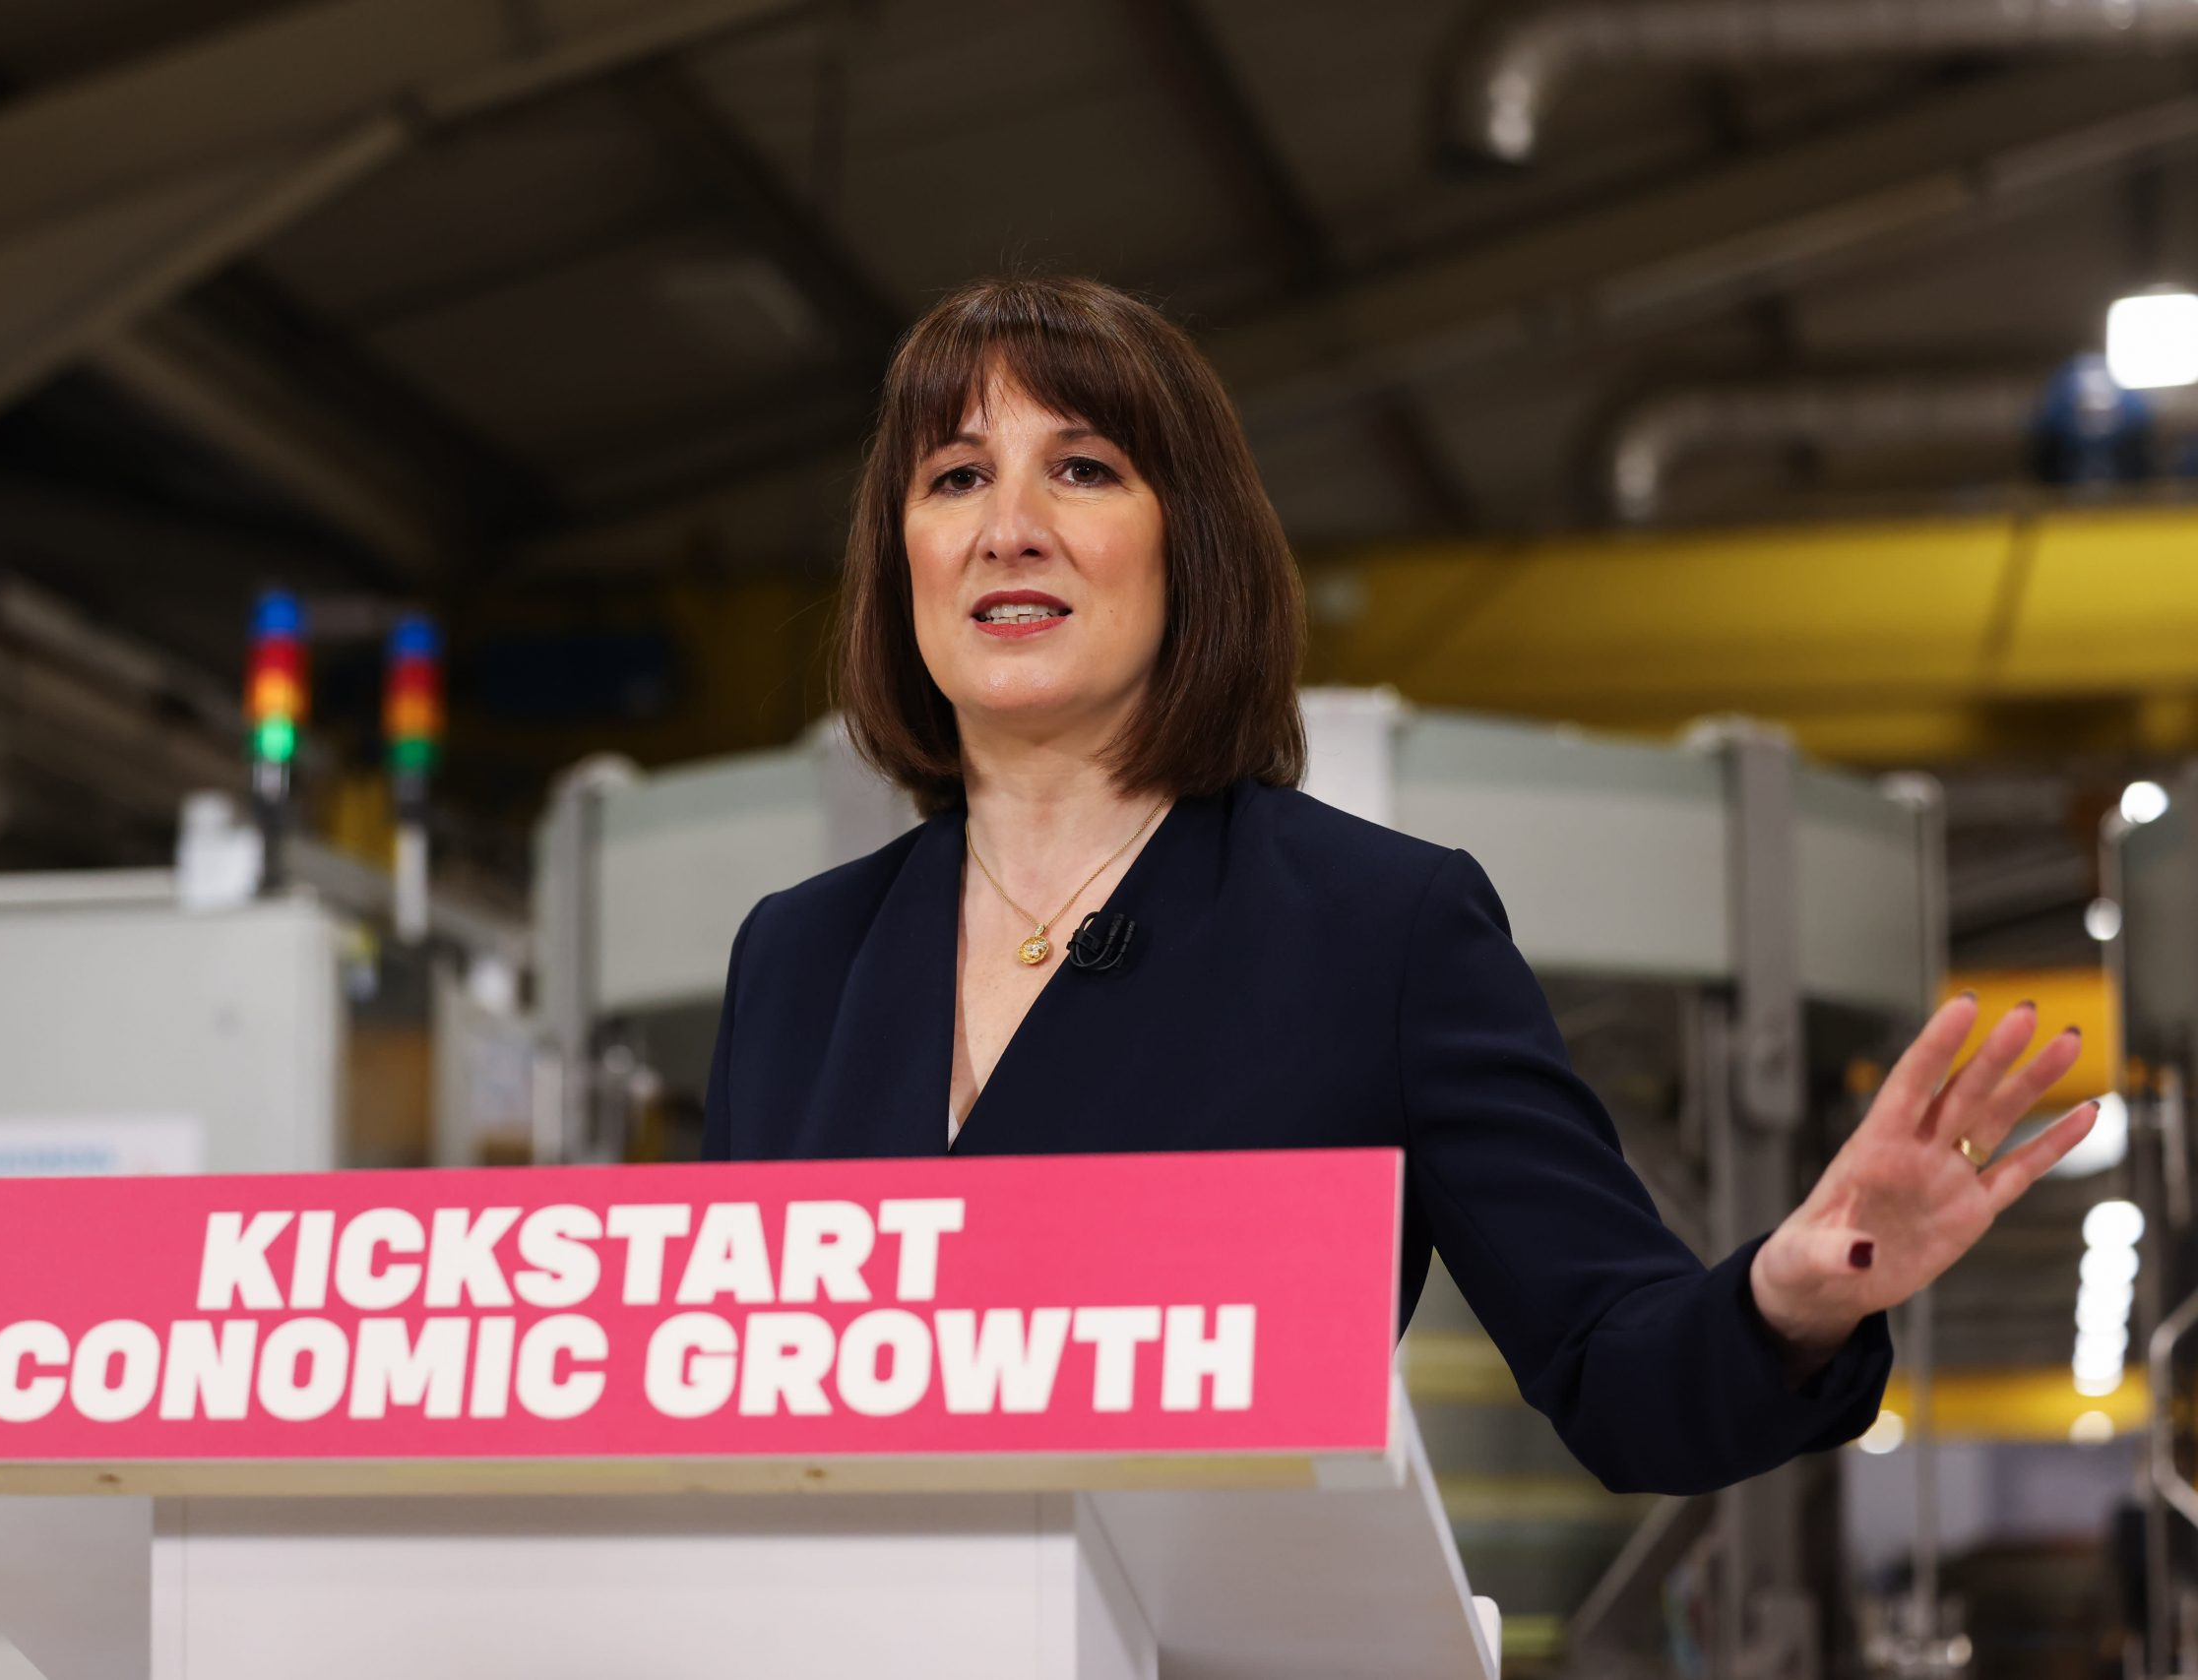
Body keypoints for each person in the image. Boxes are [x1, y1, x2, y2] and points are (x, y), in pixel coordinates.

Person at [700, 275, 2094, 1497]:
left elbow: (1617, 1372)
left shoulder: (1378, 930)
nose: (1009, 527)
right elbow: (722, 1398)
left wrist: (1788, 1297)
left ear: (1193, 546)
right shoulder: (796, 958)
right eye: (955, 478)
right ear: (902, 559)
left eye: (1082, 469)